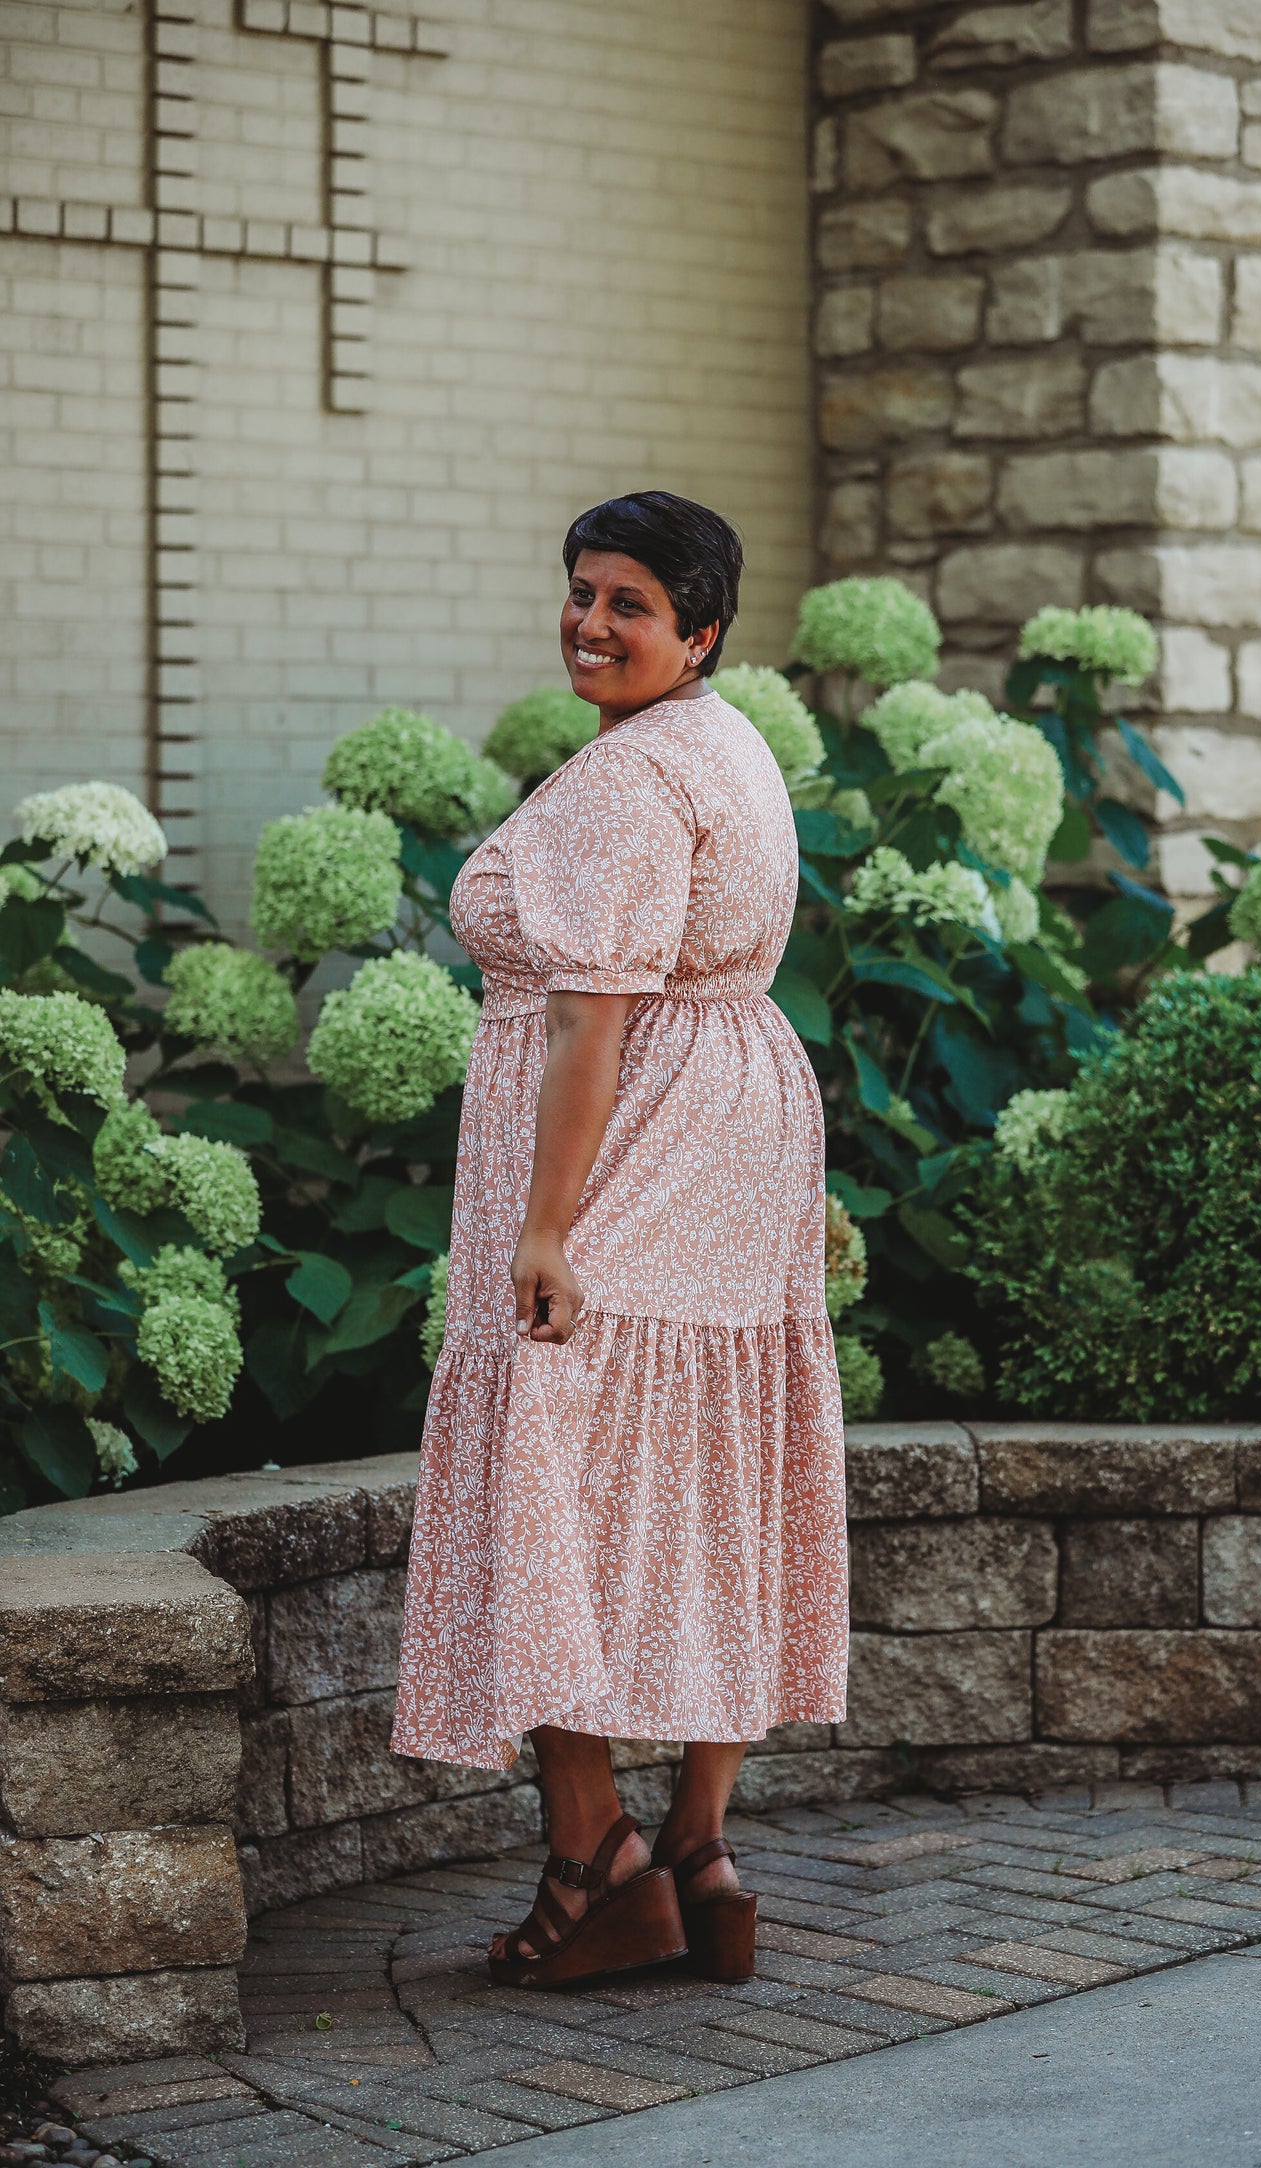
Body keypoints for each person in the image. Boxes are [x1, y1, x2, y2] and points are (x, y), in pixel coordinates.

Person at [392, 490, 848, 1991]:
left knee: (555, 1466)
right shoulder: (726, 744)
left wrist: (545, 1224)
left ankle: (595, 1860)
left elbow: (592, 1008)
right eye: (580, 591)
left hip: (636, 1131)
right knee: (712, 1467)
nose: (590, 622)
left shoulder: (620, 782)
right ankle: (702, 1852)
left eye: (629, 604)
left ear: (698, 630)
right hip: (736, 1110)